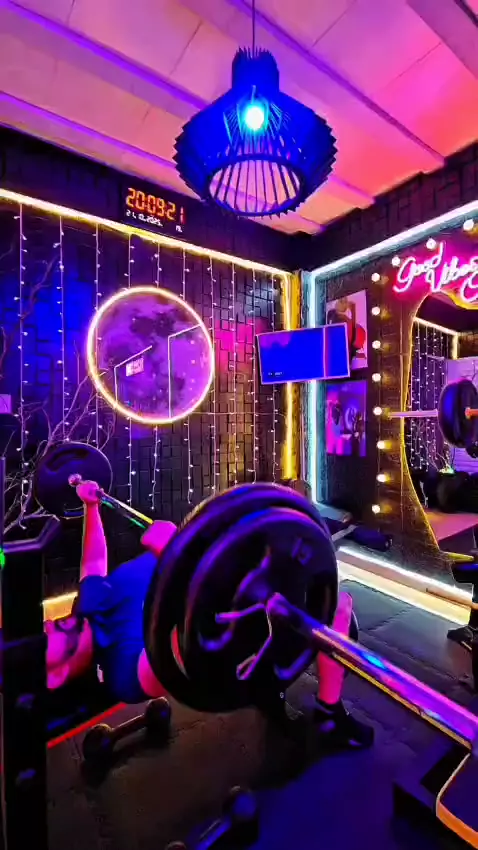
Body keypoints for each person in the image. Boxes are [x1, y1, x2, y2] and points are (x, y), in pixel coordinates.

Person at [45, 480, 175, 703]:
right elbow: (185, 655)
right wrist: (175, 558)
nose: (47, 624)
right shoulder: (125, 676)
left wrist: (91, 507)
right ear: (55, 676)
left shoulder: (86, 613)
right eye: (42, 641)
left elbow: (94, 563)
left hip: (204, 544)